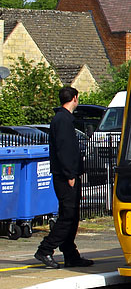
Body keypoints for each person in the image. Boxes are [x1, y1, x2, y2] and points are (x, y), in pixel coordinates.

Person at [34, 87, 92, 268]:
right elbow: (64, 149)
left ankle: (70, 254)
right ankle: (45, 249)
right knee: (67, 215)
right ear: (75, 98)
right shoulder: (63, 120)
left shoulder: (62, 119)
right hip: (66, 176)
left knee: (72, 215)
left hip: (66, 174)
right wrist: (70, 174)